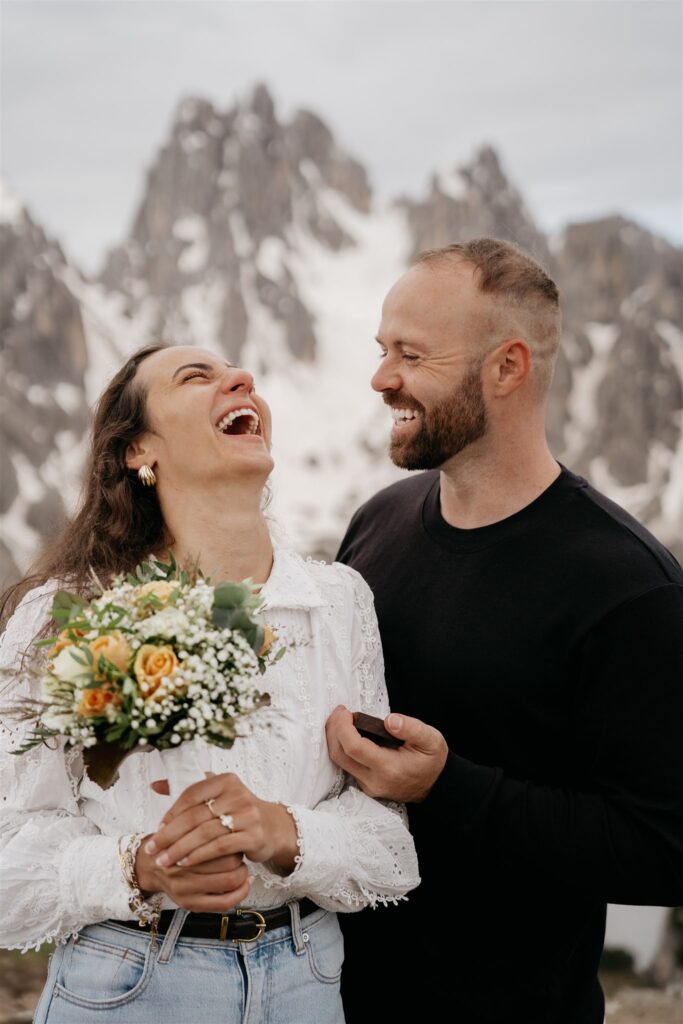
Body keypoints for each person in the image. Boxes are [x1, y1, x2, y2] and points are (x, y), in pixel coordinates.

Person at [0, 344, 420, 1024]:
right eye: (197, 377)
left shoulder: (338, 600)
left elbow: (388, 846)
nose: (241, 379)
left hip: (307, 980)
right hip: (129, 986)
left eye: (240, 372)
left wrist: (285, 832)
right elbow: (8, 868)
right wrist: (140, 866)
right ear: (139, 451)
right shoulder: (60, 616)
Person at [326, 238, 683, 1024]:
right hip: (333, 1001)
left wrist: (447, 789)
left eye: (411, 355)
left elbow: (665, 850)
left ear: (506, 368)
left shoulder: (627, 587)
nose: (382, 378)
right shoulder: (377, 523)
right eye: (382, 349)